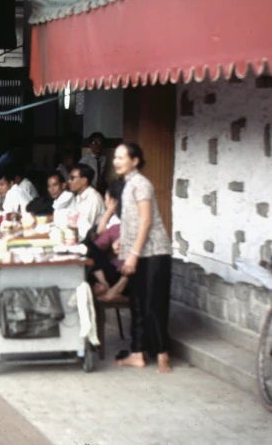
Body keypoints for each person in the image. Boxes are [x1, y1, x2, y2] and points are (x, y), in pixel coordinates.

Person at [114, 143, 173, 374]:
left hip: (154, 252)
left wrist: (133, 254)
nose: (116, 161)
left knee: (153, 305)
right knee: (137, 303)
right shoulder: (127, 185)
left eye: (121, 157)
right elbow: (132, 221)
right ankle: (137, 353)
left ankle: (162, 354)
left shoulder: (141, 184)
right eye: (115, 157)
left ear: (135, 160)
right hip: (137, 252)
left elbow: (146, 220)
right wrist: (122, 241)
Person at [86, 180, 128, 303]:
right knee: (88, 246)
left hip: (125, 277)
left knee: (88, 247)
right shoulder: (117, 222)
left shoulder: (124, 224)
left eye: (106, 199)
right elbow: (99, 240)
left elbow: (99, 238)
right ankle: (104, 285)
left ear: (113, 201)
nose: (104, 203)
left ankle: (110, 287)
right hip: (118, 273)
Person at [69, 163, 106, 240]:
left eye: (72, 178)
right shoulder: (79, 196)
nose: (69, 181)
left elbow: (85, 230)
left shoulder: (93, 198)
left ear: (84, 180)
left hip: (93, 243)